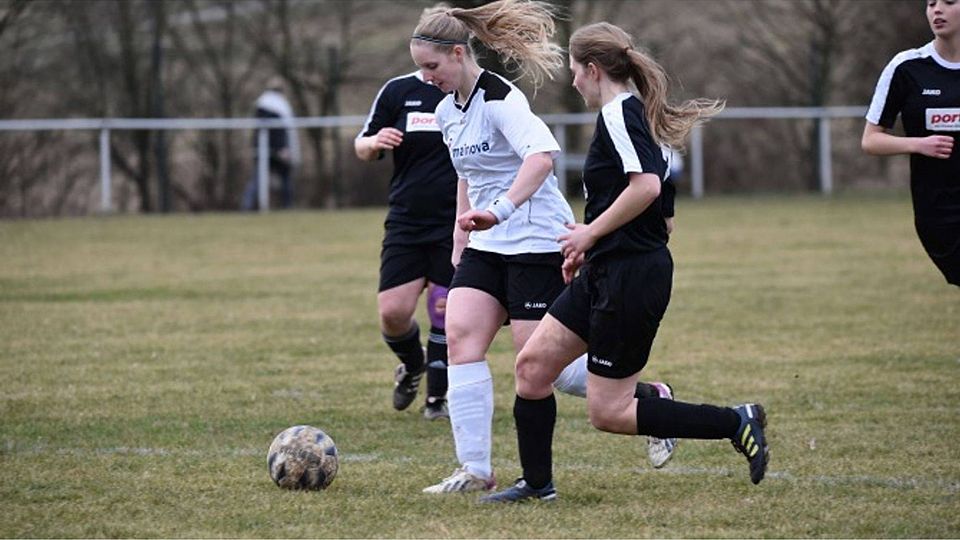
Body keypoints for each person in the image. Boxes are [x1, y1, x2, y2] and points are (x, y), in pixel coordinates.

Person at [481, 22, 769, 503]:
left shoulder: (620, 114)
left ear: (593, 69)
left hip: (631, 277)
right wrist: (591, 248)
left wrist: (591, 232)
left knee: (609, 412)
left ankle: (735, 420)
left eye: (575, 71)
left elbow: (647, 188)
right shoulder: (638, 116)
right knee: (532, 367)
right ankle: (536, 484)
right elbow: (664, 217)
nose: (574, 81)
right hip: (606, 270)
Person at [409, 1, 678, 495]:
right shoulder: (447, 111)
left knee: (542, 368)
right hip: (487, 242)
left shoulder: (500, 99)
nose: (426, 77)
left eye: (431, 66)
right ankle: (475, 470)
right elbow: (466, 175)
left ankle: (648, 398)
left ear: (457, 54)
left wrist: (501, 210)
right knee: (461, 336)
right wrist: (461, 233)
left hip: (535, 240)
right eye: (420, 68)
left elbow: (541, 157)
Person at [354, 67, 459, 419]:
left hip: (454, 221)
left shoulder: (470, 90)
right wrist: (374, 143)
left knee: (444, 307)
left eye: (434, 62)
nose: (430, 71)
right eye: (424, 62)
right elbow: (362, 145)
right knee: (393, 313)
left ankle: (437, 400)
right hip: (406, 221)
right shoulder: (398, 90)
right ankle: (414, 365)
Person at [862, 0, 959, 287]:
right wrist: (918, 144)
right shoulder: (907, 67)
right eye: (931, 3)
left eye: (949, 2)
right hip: (938, 212)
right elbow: (871, 140)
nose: (937, 10)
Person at [242, 77, 300, 210]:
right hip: (276, 150)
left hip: (263, 148)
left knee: (259, 179)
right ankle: (287, 206)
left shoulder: (261, 104)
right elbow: (277, 129)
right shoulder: (278, 106)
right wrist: (282, 148)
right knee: (282, 178)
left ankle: (247, 206)